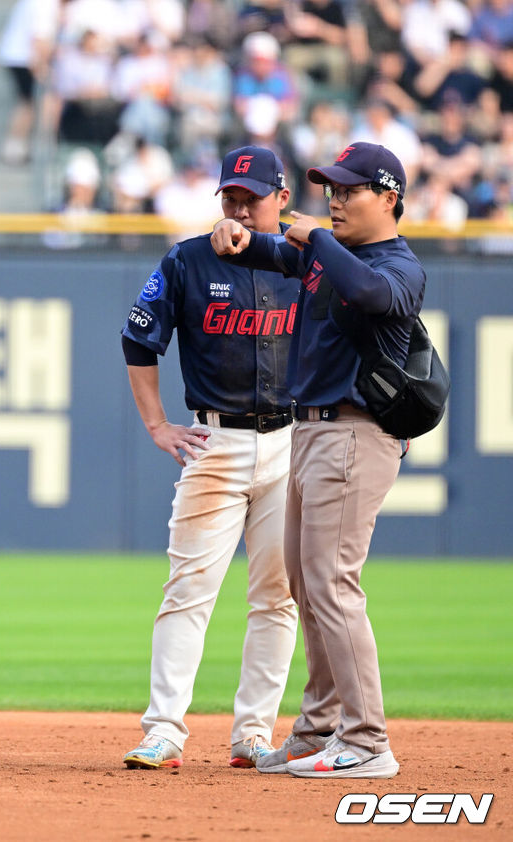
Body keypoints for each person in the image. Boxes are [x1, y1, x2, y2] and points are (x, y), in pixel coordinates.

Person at [211, 141, 421, 778]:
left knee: (332, 585)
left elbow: (369, 292)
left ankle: (367, 743)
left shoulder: (396, 264)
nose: (334, 199)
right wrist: (241, 234)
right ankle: (319, 731)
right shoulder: (333, 254)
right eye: (330, 188)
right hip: (312, 433)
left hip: (355, 435)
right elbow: (279, 251)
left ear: (388, 199)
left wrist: (312, 238)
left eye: (349, 189)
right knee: (307, 585)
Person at [120, 146, 299, 771]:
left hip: (293, 440)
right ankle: (164, 728)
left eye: (253, 194)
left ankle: (254, 734)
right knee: (189, 589)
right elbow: (139, 337)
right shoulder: (189, 258)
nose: (241, 205)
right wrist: (156, 424)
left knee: (278, 596)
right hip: (214, 440)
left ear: (282, 196)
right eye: (231, 195)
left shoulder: (310, 263)